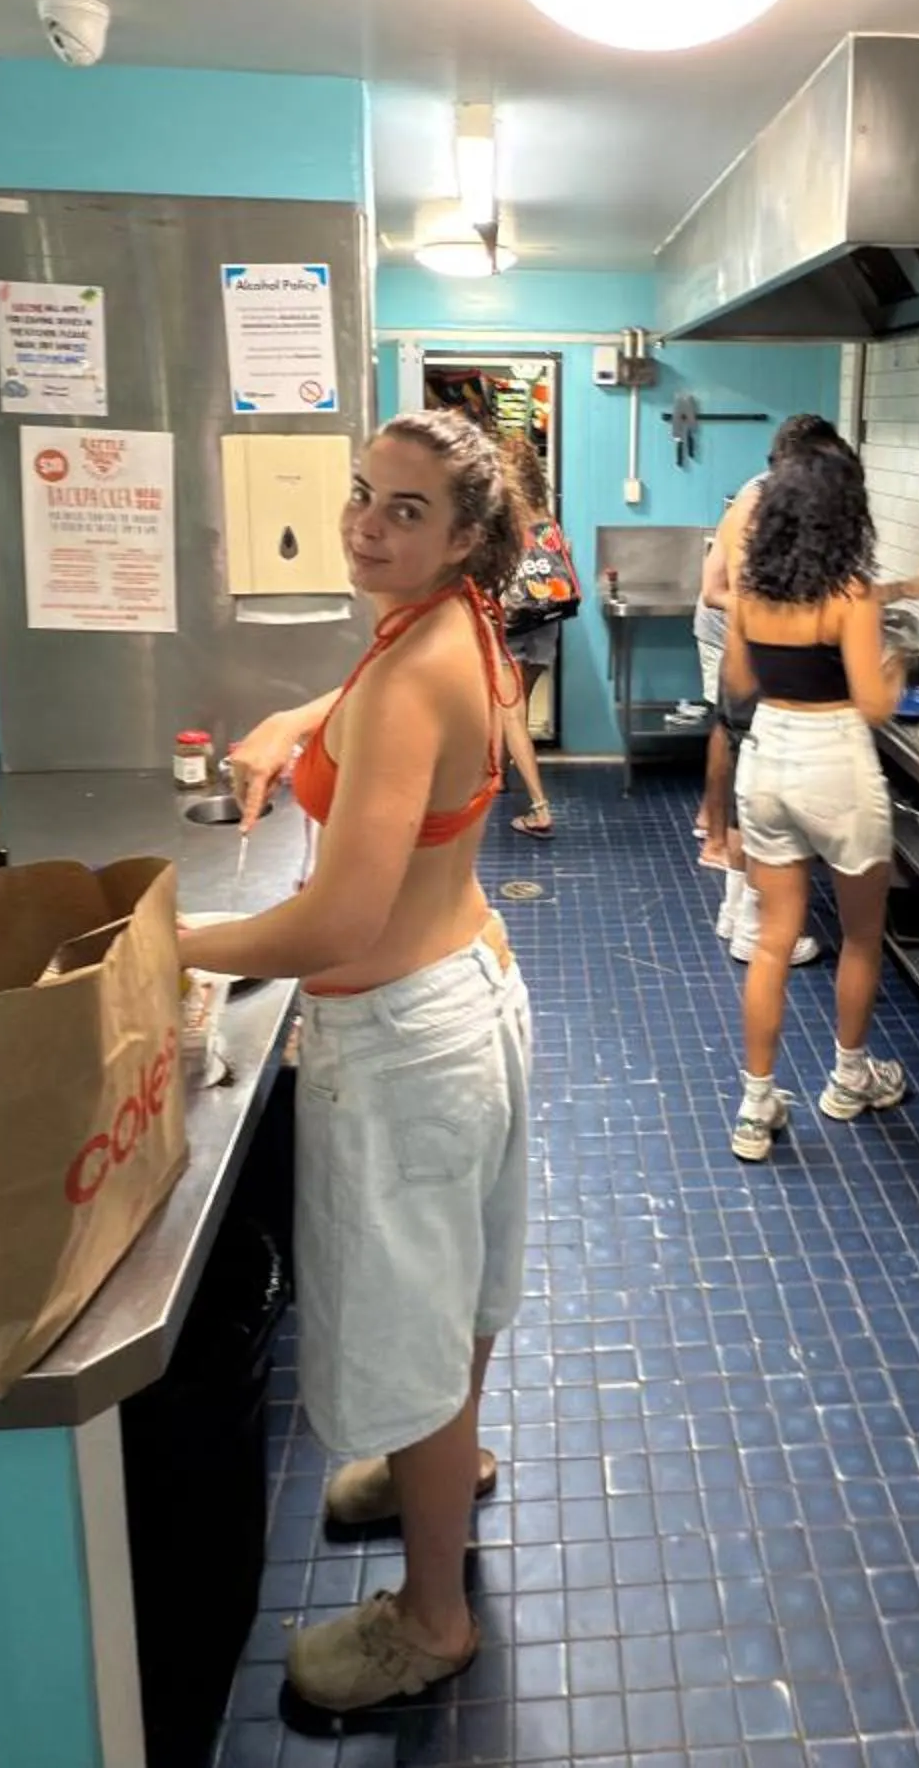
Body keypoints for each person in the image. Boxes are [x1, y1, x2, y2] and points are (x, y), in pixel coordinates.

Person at [182, 409, 534, 1715]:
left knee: (416, 1323)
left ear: (463, 538)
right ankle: (438, 1462)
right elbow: (389, 693)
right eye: (362, 495)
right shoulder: (465, 628)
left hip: (402, 1040)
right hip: (473, 988)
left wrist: (172, 937)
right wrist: (299, 711)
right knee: (459, 1288)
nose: (366, 524)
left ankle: (433, 1619)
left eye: (404, 511)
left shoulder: (410, 673)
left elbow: (335, 923)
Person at [721, 442, 914, 1162]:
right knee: (862, 936)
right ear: (845, 518)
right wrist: (897, 668)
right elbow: (872, 705)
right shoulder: (852, 595)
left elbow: (739, 682)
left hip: (768, 756)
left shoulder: (752, 594)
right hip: (836, 760)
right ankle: (848, 1078)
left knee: (773, 937)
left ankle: (755, 1103)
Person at [697, 416, 919, 962]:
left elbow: (729, 590)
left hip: (754, 664)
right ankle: (751, 921)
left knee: (741, 784)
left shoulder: (759, 503)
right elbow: (870, 695)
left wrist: (767, 620)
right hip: (778, 688)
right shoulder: (776, 512)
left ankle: (740, 915)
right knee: (856, 934)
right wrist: (778, 626)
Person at [493, 433, 571, 839]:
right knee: (518, 705)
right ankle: (501, 776)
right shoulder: (546, 516)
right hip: (548, 618)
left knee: (511, 712)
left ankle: (540, 809)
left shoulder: (502, 516)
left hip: (512, 619)